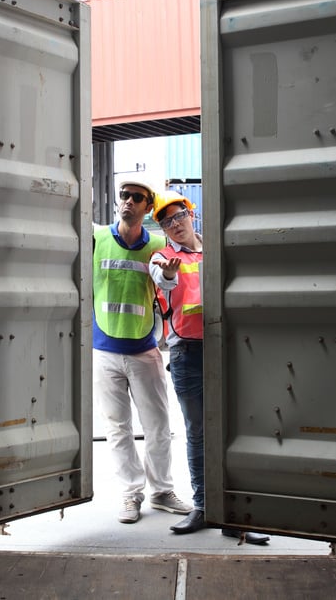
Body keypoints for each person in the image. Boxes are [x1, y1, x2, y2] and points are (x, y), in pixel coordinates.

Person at [149, 191, 270, 545]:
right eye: (166, 221)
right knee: (198, 431)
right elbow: (163, 280)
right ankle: (203, 507)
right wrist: (168, 275)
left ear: (192, 214)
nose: (175, 225)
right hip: (187, 352)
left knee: (234, 430)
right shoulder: (163, 257)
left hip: (225, 348)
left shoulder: (218, 248)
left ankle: (235, 515)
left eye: (179, 216)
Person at [93, 178, 193, 524]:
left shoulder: (156, 245)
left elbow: (164, 277)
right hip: (104, 351)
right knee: (118, 428)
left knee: (158, 426)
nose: (129, 202)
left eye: (138, 198)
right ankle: (130, 495)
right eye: (125, 196)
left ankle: (162, 491)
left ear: (147, 207)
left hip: (144, 351)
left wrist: (166, 276)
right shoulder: (98, 238)